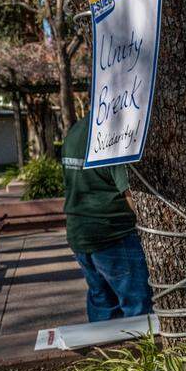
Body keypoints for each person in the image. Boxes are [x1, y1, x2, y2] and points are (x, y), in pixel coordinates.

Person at [61, 114, 153, 322]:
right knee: (138, 308)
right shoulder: (112, 133)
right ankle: (139, 353)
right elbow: (130, 194)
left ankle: (104, 353)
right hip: (113, 233)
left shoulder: (76, 131)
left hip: (79, 231)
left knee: (103, 304)